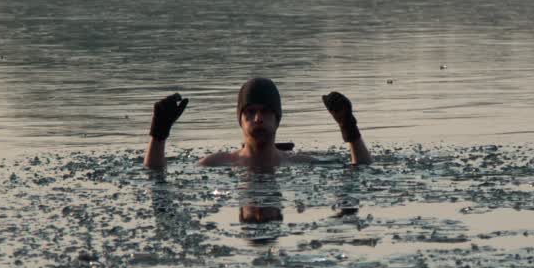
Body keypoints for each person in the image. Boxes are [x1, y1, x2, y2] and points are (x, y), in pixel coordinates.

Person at [142, 77, 373, 169]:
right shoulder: (215, 164)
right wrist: (158, 134)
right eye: (250, 112)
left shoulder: (301, 163)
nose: (258, 119)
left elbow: (362, 169)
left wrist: (349, 129)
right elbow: (155, 175)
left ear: (278, 118)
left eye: (266, 112)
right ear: (240, 120)